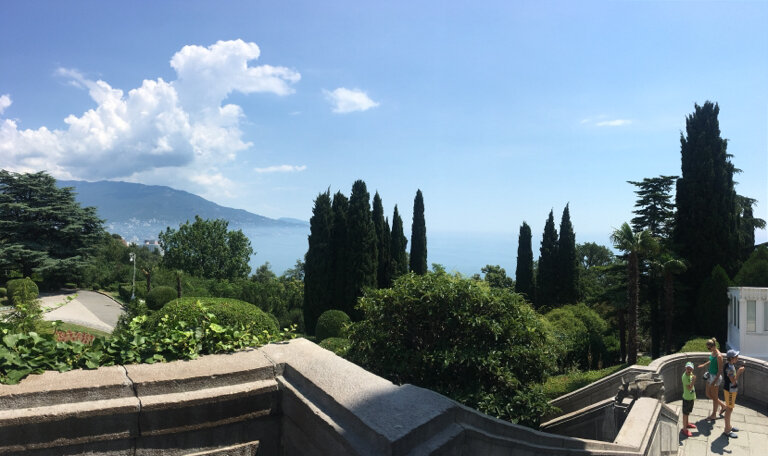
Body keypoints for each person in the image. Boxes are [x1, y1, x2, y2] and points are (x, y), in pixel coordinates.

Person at [697, 337, 726, 420]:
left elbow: (720, 370)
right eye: (707, 348)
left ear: (713, 346)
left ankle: (714, 415)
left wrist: (714, 381)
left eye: (709, 348)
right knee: (708, 394)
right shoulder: (713, 352)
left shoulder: (719, 356)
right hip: (710, 375)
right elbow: (711, 361)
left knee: (714, 397)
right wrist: (704, 364)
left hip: (715, 377)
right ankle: (723, 406)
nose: (708, 349)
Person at [722, 349, 745, 439]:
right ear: (731, 358)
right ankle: (727, 430)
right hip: (730, 390)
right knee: (729, 409)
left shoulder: (729, 365)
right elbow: (733, 381)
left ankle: (729, 426)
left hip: (731, 390)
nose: (737, 358)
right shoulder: (729, 368)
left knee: (729, 409)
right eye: (736, 356)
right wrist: (739, 372)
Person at [681, 361, 697, 437]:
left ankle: (687, 424)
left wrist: (692, 378)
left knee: (688, 412)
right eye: (688, 368)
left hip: (690, 397)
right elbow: (689, 387)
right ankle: (684, 429)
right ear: (685, 368)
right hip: (687, 398)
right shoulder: (684, 377)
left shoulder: (690, 374)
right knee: (685, 413)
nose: (689, 370)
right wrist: (693, 381)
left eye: (690, 369)